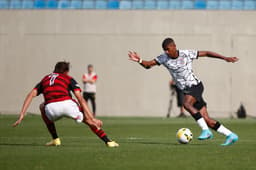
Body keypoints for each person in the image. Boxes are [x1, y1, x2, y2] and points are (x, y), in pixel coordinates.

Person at [128, 38, 239, 146]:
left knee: (186, 104)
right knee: (206, 119)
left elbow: (207, 53)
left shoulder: (186, 54)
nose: (166, 51)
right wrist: (139, 60)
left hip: (196, 86)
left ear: (174, 46)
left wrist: (225, 58)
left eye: (167, 49)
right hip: (187, 91)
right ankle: (230, 135)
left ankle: (205, 131)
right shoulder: (163, 58)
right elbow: (148, 65)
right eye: (164, 50)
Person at [13, 61, 119, 148]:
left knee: (42, 106)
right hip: (67, 105)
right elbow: (80, 99)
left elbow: (31, 95)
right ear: (66, 71)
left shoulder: (45, 79)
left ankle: (55, 139)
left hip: (51, 109)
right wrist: (92, 118)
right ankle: (108, 141)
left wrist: (22, 113)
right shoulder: (67, 78)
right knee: (87, 120)